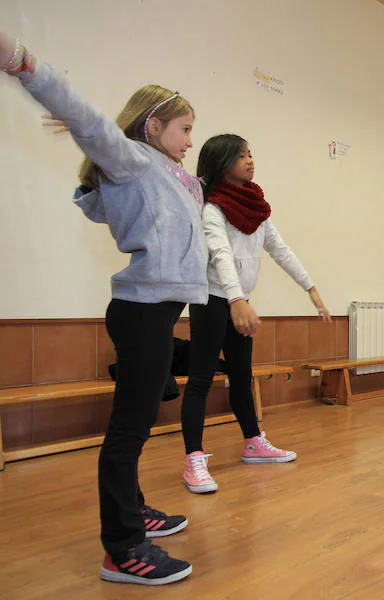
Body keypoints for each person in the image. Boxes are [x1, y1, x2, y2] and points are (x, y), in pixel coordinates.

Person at [1, 32, 205, 584]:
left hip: (160, 311)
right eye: (185, 129)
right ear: (153, 127)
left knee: (140, 417)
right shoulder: (135, 161)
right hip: (142, 312)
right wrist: (24, 65)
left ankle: (133, 509)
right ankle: (121, 548)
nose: (190, 140)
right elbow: (89, 119)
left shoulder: (171, 177)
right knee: (128, 431)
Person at [180, 134, 332, 493]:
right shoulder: (212, 208)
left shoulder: (256, 210)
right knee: (200, 379)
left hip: (239, 302)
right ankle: (193, 459)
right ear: (222, 163)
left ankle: (253, 441)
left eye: (250, 154)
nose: (250, 160)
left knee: (241, 374)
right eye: (241, 155)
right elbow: (219, 256)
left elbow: (280, 249)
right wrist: (236, 300)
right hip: (213, 300)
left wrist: (309, 286)